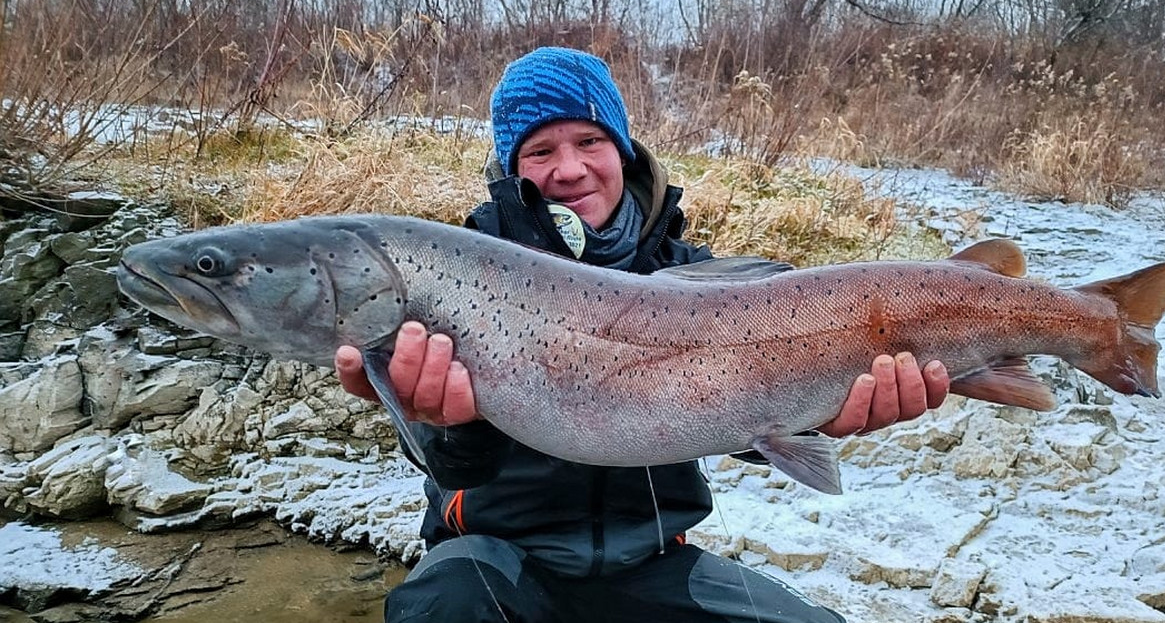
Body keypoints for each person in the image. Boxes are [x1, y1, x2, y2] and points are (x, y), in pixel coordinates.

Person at [335, 47, 950, 623]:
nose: (569, 168)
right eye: (540, 151)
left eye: (589, 140)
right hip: (493, 562)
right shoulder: (449, 277)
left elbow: (729, 413)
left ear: (622, 150)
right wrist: (452, 425)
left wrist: (817, 412)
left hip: (653, 562)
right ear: (510, 167)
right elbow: (442, 463)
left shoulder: (696, 278)